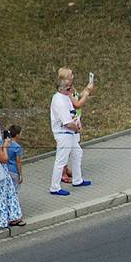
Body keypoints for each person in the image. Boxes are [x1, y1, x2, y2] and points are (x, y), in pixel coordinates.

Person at [49, 68, 91, 196]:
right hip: (64, 134)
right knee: (61, 160)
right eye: (69, 89)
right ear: (62, 89)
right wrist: (77, 127)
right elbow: (67, 123)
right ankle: (54, 187)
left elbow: (73, 110)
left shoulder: (65, 97)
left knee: (77, 153)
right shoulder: (60, 101)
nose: (71, 91)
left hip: (69, 134)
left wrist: (76, 121)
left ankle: (77, 179)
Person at [59, 68, 94, 184]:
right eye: (70, 75)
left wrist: (87, 89)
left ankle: (73, 176)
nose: (73, 76)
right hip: (69, 124)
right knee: (67, 150)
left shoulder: (72, 88)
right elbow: (77, 104)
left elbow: (78, 97)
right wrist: (87, 93)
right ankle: (63, 173)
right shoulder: (66, 91)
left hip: (75, 120)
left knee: (74, 150)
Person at [5, 125, 23, 192]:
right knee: (14, 190)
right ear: (17, 135)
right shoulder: (17, 147)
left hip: (6, 169)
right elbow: (18, 162)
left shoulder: (5, 144)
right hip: (14, 170)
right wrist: (20, 174)